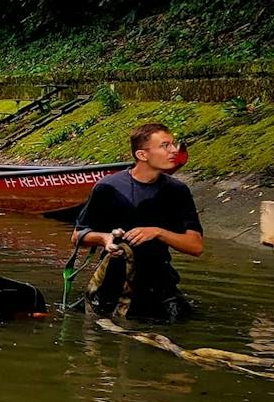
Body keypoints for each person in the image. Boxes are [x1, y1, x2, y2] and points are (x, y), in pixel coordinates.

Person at [74, 122, 203, 321]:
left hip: (159, 280)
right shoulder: (108, 187)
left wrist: (158, 232)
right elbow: (77, 236)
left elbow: (196, 246)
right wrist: (105, 239)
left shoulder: (177, 191)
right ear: (142, 155)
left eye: (173, 144)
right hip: (113, 278)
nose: (174, 151)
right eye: (165, 146)